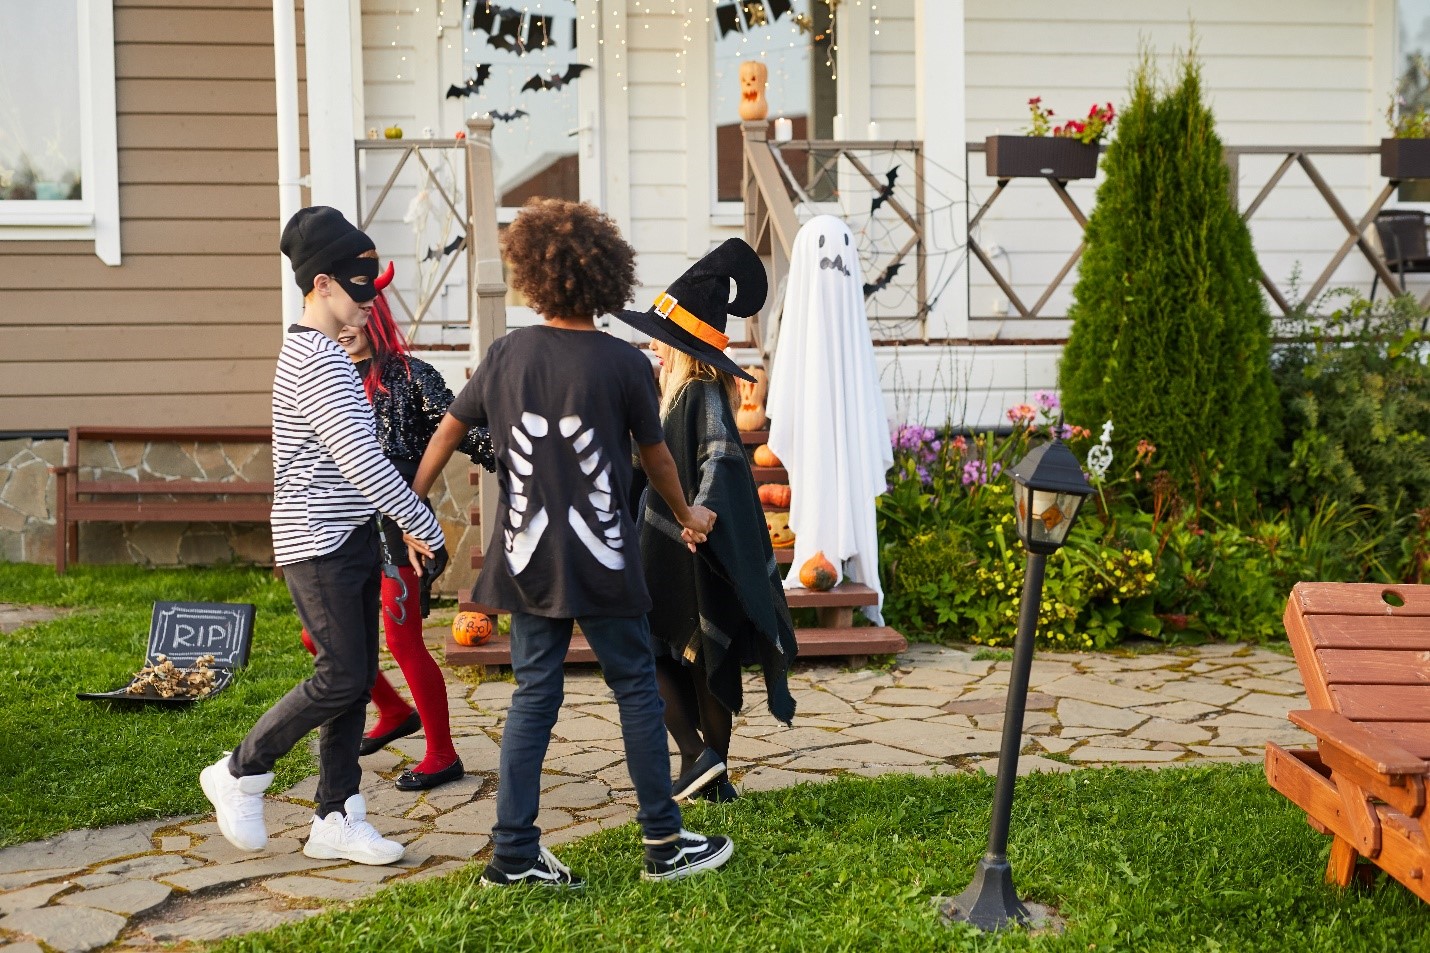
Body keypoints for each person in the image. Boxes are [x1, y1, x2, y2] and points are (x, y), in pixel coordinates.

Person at [412, 198, 734, 887]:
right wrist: (687, 515)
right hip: (604, 558)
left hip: (528, 558)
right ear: (606, 278)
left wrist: (413, 503)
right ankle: (663, 843)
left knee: (534, 693)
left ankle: (514, 853)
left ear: (532, 275)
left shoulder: (505, 354)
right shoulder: (625, 364)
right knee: (637, 692)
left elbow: (445, 429)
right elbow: (657, 459)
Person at [200, 206, 447, 866]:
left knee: (358, 673)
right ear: (323, 286)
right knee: (341, 674)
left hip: (348, 536)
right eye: (359, 288)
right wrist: (423, 525)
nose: (371, 303)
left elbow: (361, 464)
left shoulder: (327, 356)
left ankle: (336, 814)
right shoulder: (317, 361)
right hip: (320, 543)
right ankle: (240, 770)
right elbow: (363, 463)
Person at [294, 262, 495, 791]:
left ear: (371, 314)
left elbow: (468, 434)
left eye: (358, 313)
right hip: (342, 535)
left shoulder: (410, 376)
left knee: (403, 641)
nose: (344, 324)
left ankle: (443, 753)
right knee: (319, 636)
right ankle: (392, 710)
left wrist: (532, 458)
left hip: (400, 536)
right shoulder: (325, 372)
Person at [615, 238, 798, 805]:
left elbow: (718, 457)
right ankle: (708, 769)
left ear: (679, 347)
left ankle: (702, 761)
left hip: (691, 542)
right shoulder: (680, 394)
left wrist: (703, 516)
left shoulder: (698, 394)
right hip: (675, 540)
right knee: (686, 654)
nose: (652, 345)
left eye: (660, 338)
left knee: (654, 652)